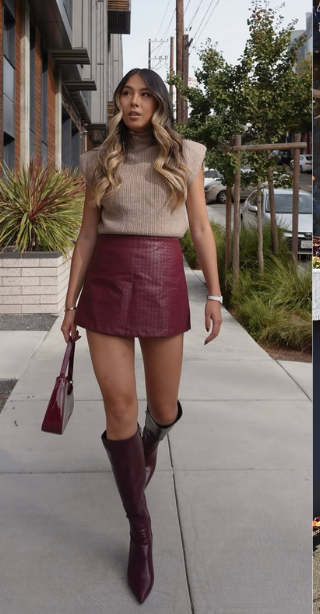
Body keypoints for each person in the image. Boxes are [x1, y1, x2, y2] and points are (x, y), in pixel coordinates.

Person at [61, 68, 223, 603]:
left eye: (145, 94)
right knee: (117, 403)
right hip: (107, 280)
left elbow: (200, 228)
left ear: (159, 102)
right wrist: (69, 303)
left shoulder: (187, 156)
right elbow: (86, 234)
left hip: (161, 277)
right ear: (117, 103)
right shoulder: (96, 161)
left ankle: (153, 437)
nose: (134, 102)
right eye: (126, 94)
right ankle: (141, 528)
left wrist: (216, 296)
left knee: (164, 406)